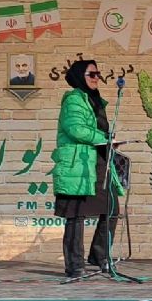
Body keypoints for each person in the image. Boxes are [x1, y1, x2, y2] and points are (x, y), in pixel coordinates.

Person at [51, 59, 124, 278]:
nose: (96, 78)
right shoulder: (74, 99)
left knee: (111, 209)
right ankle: (75, 265)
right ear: (79, 76)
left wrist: (110, 140)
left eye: (98, 74)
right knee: (76, 215)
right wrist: (104, 137)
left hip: (99, 161)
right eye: (91, 74)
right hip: (78, 165)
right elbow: (75, 129)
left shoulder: (96, 100)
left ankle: (99, 256)